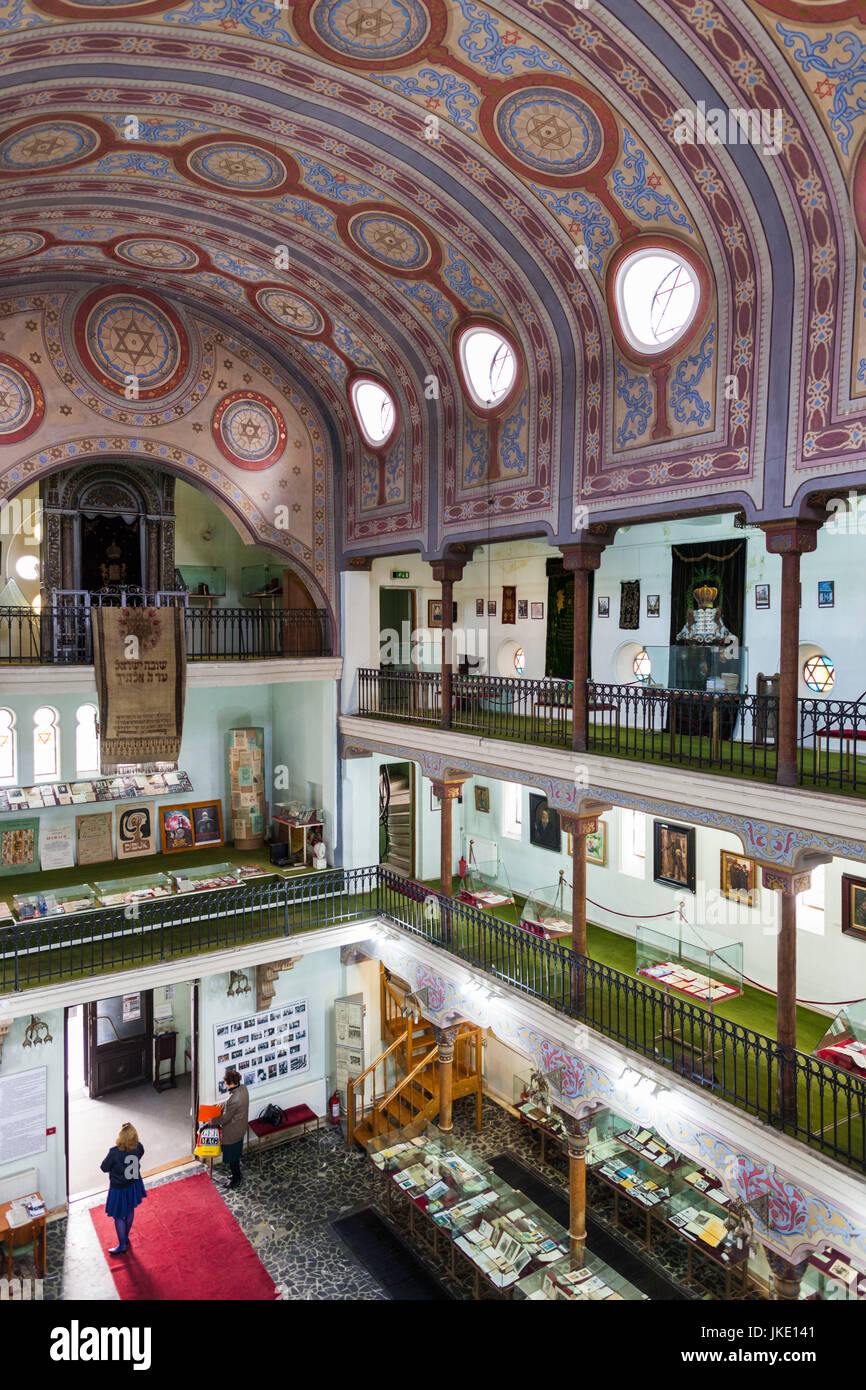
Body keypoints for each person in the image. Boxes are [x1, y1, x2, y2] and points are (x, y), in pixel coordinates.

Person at [100, 1121, 146, 1256]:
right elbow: (140, 1153)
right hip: (133, 1184)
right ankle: (125, 1237)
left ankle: (122, 1245)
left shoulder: (114, 1152)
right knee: (130, 1209)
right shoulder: (138, 1147)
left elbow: (104, 1168)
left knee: (119, 1216)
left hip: (119, 1188)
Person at [216, 1066, 249, 1189]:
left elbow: (225, 1119)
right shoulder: (243, 1089)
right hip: (241, 1128)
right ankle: (237, 1174)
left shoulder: (232, 1100)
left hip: (232, 1132)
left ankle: (236, 1179)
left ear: (229, 1083)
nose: (224, 1084)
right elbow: (233, 1101)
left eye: (225, 1082)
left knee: (232, 1158)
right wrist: (224, 1104)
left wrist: (211, 1120)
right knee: (236, 1155)